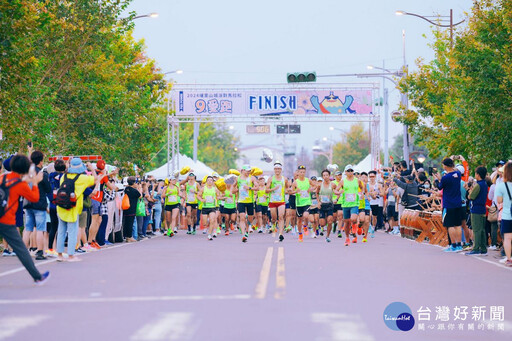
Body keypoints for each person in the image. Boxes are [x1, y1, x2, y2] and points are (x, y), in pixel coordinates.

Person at [0, 154, 50, 284]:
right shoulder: (20, 184)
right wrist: (34, 183)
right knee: (21, 250)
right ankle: (37, 277)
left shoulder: (3, 177)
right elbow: (34, 198)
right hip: (6, 221)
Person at [56, 157, 97, 262]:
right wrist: (92, 169)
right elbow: (95, 180)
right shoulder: (82, 178)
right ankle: (71, 255)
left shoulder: (63, 176)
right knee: (72, 232)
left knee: (61, 231)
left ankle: (60, 254)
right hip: (72, 208)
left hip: (61, 207)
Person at [23, 150, 52, 260]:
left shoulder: (27, 172)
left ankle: (24, 252)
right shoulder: (41, 174)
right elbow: (48, 189)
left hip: (28, 202)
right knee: (40, 228)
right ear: (41, 160)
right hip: (39, 203)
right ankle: (40, 252)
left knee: (28, 228)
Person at [435, 157, 464, 252]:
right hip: (458, 203)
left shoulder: (445, 177)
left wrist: (437, 179)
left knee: (450, 225)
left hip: (449, 204)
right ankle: (459, 245)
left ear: (446, 166)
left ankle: (454, 245)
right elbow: (453, 171)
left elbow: (439, 187)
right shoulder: (458, 174)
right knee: (458, 225)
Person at [335, 164, 362, 246]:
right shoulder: (343, 181)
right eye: (348, 171)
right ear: (345, 172)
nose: (350, 172)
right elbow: (336, 190)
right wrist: (339, 192)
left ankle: (354, 226)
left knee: (353, 218)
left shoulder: (357, 180)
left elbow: (362, 187)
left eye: (351, 171)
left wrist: (361, 193)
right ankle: (347, 238)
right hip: (345, 204)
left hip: (354, 203)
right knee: (346, 222)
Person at [466, 166, 488, 256]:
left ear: (478, 174)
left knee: (476, 229)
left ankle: (476, 248)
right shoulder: (485, 184)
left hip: (476, 209)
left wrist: (469, 190)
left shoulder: (478, 185)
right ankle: (483, 248)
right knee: (482, 229)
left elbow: (471, 196)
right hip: (482, 208)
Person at [290, 165, 315, 242]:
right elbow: (291, 191)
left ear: (305, 172)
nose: (302, 173)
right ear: (298, 172)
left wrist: (311, 189)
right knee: (299, 220)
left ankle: (305, 226)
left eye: (303, 172)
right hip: (299, 203)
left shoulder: (308, 180)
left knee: (306, 215)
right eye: (300, 172)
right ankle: (300, 234)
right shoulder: (295, 182)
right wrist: (295, 191)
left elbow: (315, 185)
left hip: (307, 202)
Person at [232, 165, 256, 243]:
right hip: (241, 201)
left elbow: (257, 187)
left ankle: (248, 227)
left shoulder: (252, 178)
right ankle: (243, 235)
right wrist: (233, 191)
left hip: (250, 201)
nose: (248, 172)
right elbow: (233, 187)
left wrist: (249, 188)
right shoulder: (238, 178)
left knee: (250, 218)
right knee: (242, 217)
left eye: (249, 171)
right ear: (243, 171)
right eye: (247, 171)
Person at [495, 162, 512, 267]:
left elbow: (499, 200)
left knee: (507, 238)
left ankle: (509, 259)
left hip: (507, 214)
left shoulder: (501, 186)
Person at [266, 162, 288, 242]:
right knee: (274, 217)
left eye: (279, 169)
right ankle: (273, 223)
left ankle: (281, 234)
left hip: (281, 201)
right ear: (274, 170)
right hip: (272, 201)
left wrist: (290, 191)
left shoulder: (284, 179)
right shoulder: (271, 179)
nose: (277, 170)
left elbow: (287, 188)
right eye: (276, 169)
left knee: (281, 216)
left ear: (281, 170)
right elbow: (266, 190)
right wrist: (273, 189)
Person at [198, 176, 221, 240]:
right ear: (206, 181)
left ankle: (209, 234)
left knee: (212, 220)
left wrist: (218, 198)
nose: (210, 181)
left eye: (211, 180)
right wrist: (202, 200)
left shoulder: (215, 189)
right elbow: (198, 196)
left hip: (212, 207)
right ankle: (207, 223)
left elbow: (218, 196)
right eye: (208, 180)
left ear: (213, 181)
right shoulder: (203, 188)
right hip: (205, 207)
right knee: (204, 223)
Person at [317, 169, 336, 243]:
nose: (325, 177)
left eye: (327, 175)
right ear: (322, 176)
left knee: (330, 221)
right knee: (322, 223)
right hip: (322, 205)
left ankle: (327, 236)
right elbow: (317, 193)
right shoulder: (319, 185)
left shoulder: (333, 184)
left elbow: (337, 191)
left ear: (329, 176)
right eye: (324, 175)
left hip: (329, 205)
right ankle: (323, 226)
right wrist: (318, 202)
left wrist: (336, 199)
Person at [122, 176, 141, 242]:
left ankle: (127, 236)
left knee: (126, 223)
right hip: (132, 208)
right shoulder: (134, 191)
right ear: (134, 183)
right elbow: (140, 196)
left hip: (125, 207)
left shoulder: (126, 189)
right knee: (130, 223)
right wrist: (139, 188)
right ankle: (129, 236)